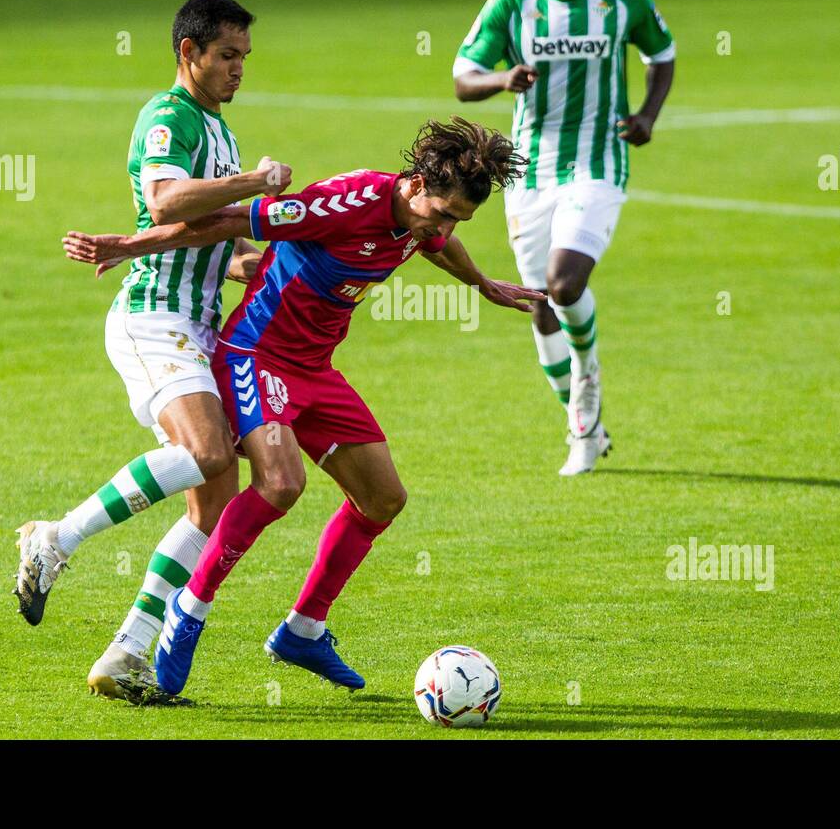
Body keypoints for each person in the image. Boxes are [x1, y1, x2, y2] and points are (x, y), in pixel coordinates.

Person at [63, 117, 541, 693]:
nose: (443, 225)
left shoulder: (423, 219)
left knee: (383, 498)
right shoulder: (343, 203)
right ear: (414, 184)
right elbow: (230, 220)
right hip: (254, 356)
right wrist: (130, 245)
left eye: (457, 218)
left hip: (315, 369)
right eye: (442, 212)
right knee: (282, 484)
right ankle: (188, 612)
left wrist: (482, 284)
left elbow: (438, 243)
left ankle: (304, 630)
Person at [13, 0, 292, 702]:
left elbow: (207, 237)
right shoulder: (168, 117)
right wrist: (254, 184)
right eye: (226, 55)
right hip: (151, 319)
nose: (237, 70)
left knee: (214, 501)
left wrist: (255, 264)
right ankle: (56, 538)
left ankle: (127, 650)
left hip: (195, 323)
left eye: (243, 58)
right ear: (188, 52)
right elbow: (166, 203)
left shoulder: (218, 129)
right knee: (206, 454)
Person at [453, 0, 676, 475]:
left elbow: (663, 53)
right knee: (538, 302)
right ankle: (587, 430)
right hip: (529, 167)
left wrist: (648, 114)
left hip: (598, 161)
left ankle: (588, 381)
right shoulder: (514, 0)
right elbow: (462, 78)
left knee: (564, 282)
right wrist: (504, 77)